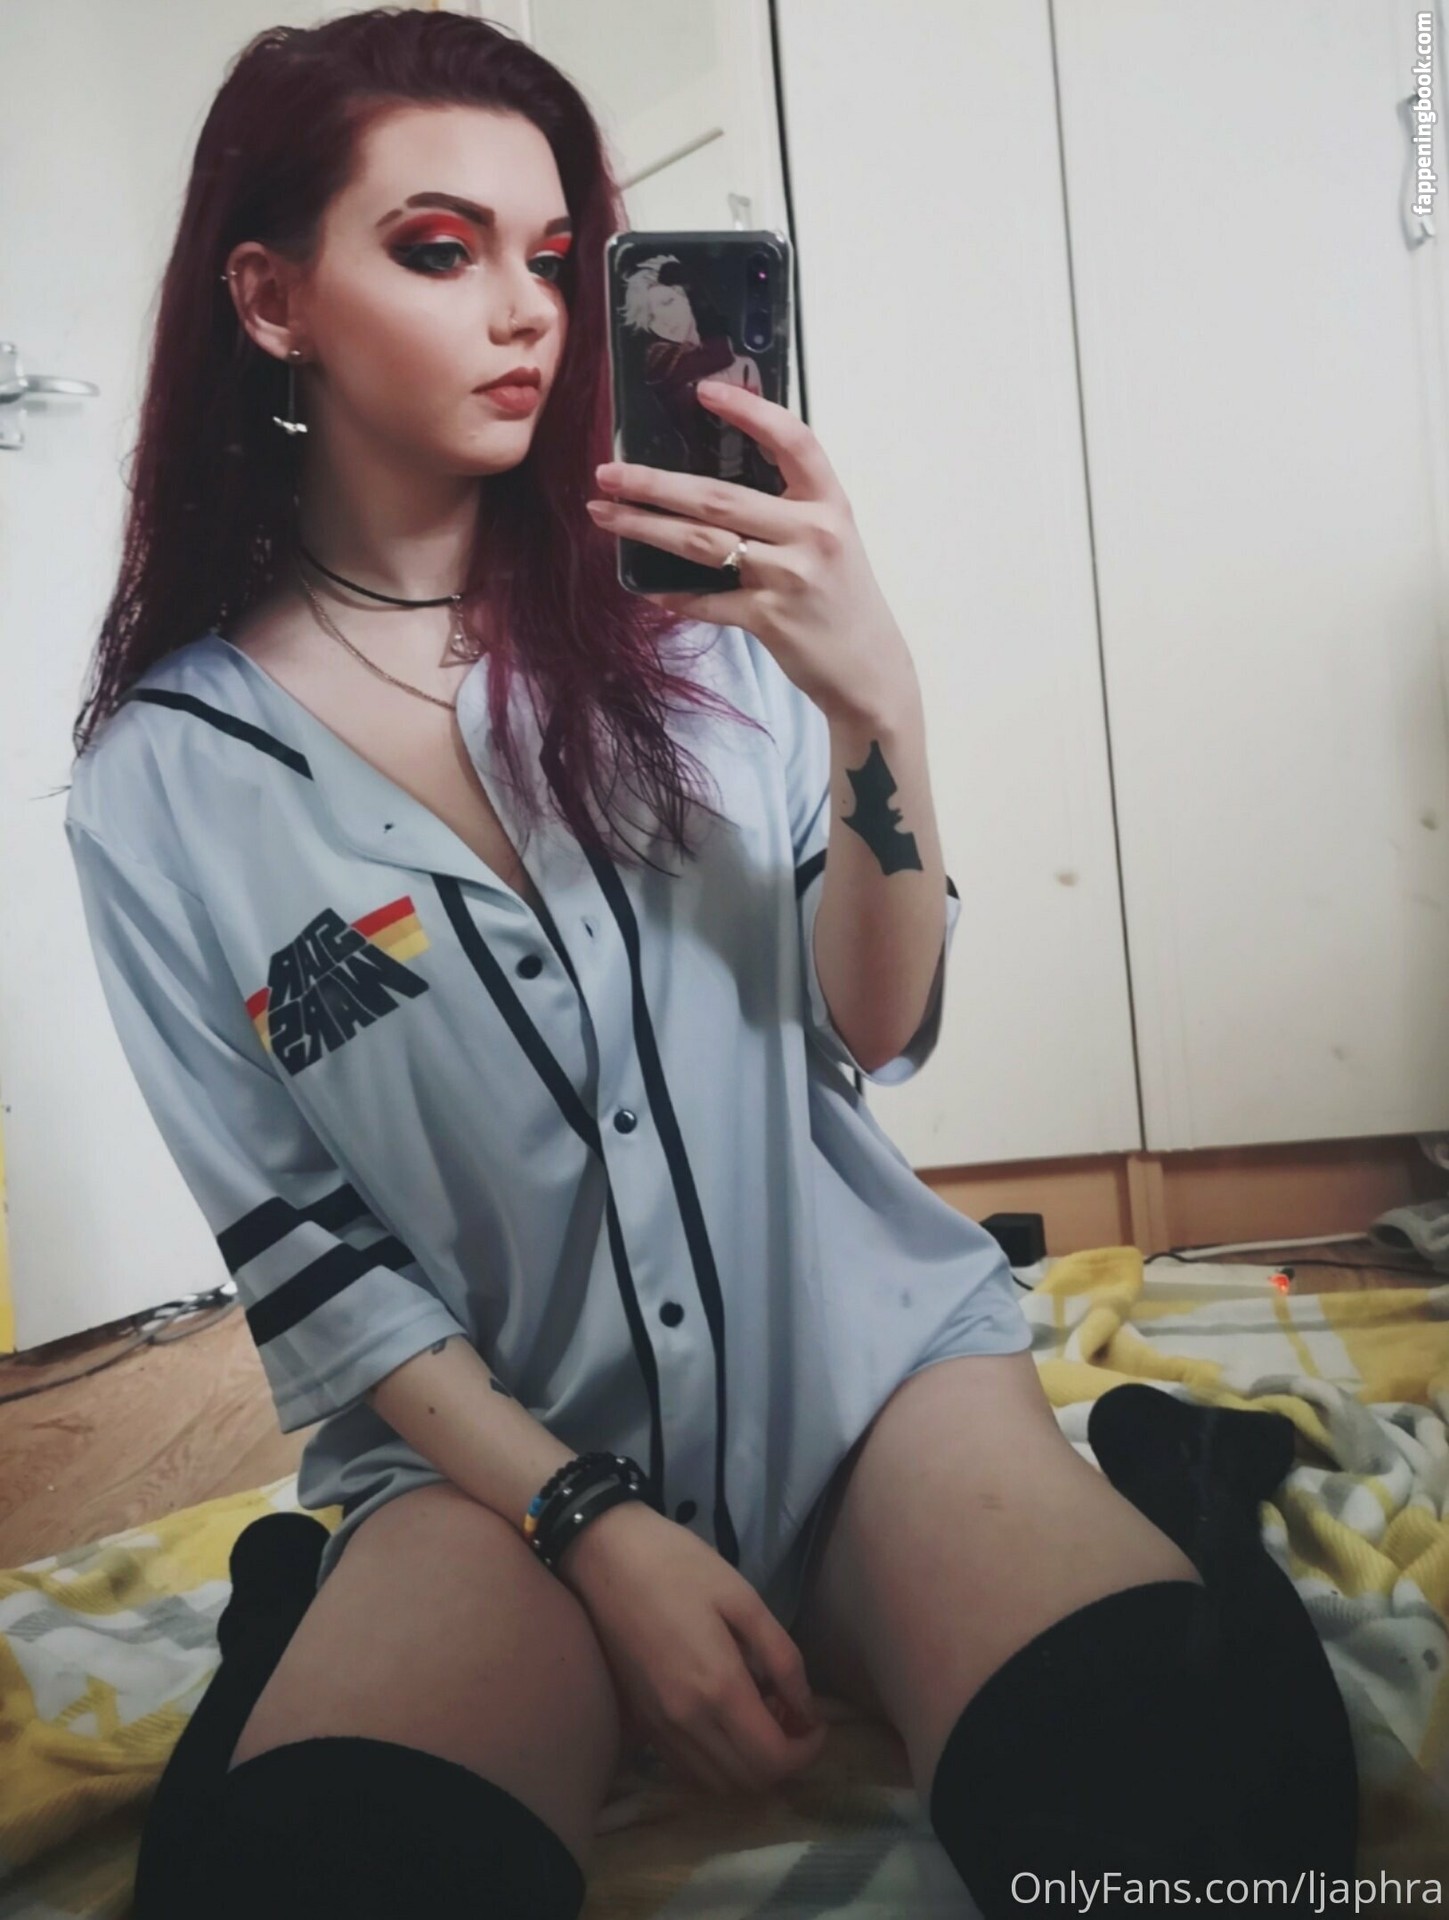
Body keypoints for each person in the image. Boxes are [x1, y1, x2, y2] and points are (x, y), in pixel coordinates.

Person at [64, 11, 1355, 1918]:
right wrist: (588, 1524)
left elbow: (875, 1025)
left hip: (864, 1380)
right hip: (498, 1470)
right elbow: (303, 1245)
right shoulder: (164, 783)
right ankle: (297, 1609)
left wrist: (873, 701)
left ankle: (1173, 1481)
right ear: (270, 299)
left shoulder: (698, 629)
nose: (526, 311)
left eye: (554, 256)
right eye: (439, 249)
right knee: (319, 1883)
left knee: (1195, 1833)